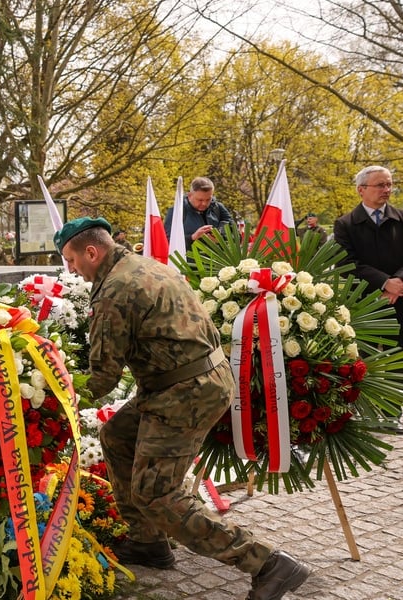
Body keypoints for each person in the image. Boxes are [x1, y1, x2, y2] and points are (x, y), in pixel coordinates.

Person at [52, 217, 309, 600]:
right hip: (188, 379)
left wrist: (43, 395)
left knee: (157, 494)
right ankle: (148, 543)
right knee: (117, 435)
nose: (71, 269)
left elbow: (102, 379)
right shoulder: (141, 264)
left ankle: (268, 563)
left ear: (91, 251)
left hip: (183, 391)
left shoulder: (114, 290)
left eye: (71, 260)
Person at [334, 165, 403, 348]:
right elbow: (345, 264)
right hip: (364, 305)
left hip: (400, 301)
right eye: (380, 185)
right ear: (361, 190)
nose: (387, 190)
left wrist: (397, 283)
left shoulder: (401, 218)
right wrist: (385, 282)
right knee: (365, 367)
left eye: (389, 184)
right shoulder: (344, 224)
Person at [163, 177, 234, 247]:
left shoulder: (218, 207)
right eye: (200, 200)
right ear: (190, 195)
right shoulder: (177, 211)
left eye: (208, 199)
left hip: (216, 258)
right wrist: (192, 237)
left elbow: (237, 237)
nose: (204, 203)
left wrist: (220, 239)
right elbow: (167, 241)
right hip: (187, 258)